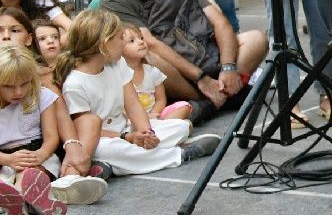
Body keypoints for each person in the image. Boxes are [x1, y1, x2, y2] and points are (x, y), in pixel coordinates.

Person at [97, 0, 269, 120]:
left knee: (256, 39)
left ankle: (217, 96)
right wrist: (200, 77)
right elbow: (150, 43)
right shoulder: (114, 0)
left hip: (208, 57)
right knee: (147, 57)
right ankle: (210, 99)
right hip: (177, 73)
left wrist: (228, 67)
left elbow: (220, 23)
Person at [56, 9, 215, 175]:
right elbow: (85, 132)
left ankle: (114, 166)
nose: (123, 43)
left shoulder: (118, 65)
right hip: (104, 140)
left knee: (180, 127)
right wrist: (126, 137)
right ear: (104, 44)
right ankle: (179, 154)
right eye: (120, 38)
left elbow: (133, 104)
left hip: (128, 130)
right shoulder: (75, 84)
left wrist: (147, 133)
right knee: (111, 150)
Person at [0, 44, 103, 215]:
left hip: (35, 151)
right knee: (8, 180)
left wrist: (41, 154)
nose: (18, 92)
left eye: (24, 84)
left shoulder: (42, 96)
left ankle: (20, 202)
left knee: (30, 174)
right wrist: (7, 159)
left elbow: (51, 137)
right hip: (3, 157)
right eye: (8, 86)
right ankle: (33, 203)